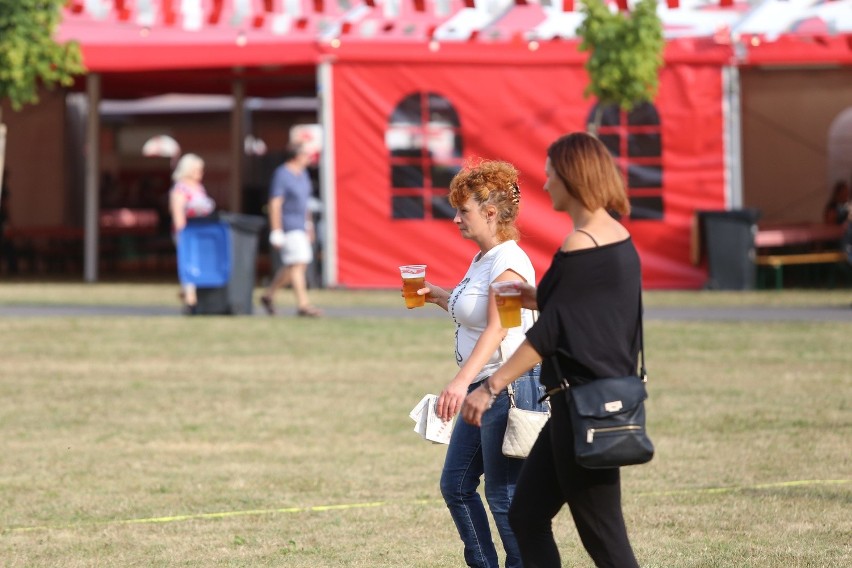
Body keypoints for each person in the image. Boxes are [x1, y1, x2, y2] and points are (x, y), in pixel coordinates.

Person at [461, 132, 643, 568]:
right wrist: (537, 297)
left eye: (550, 175)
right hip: (577, 405)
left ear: (572, 178)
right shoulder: (613, 235)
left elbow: (553, 334)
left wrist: (490, 386)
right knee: (526, 516)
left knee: (607, 543)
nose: (545, 185)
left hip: (585, 408)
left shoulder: (580, 243)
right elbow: (586, 308)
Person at [415, 159, 546, 568]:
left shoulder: (509, 261)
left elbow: (500, 328)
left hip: (507, 386)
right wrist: (439, 295)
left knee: (504, 497)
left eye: (463, 210)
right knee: (455, 486)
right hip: (484, 387)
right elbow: (474, 312)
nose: (455, 219)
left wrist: (459, 383)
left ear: (490, 213)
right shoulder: (483, 259)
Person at [259, 142, 322, 317]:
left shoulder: (303, 175)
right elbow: (275, 203)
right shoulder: (282, 174)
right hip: (288, 225)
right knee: (298, 262)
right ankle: (303, 304)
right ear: (297, 155)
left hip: (300, 225)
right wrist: (276, 229)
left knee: (295, 264)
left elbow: (305, 204)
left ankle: (269, 294)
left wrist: (308, 225)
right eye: (306, 155)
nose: (309, 158)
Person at [169, 153, 215, 314]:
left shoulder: (199, 187)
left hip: (202, 232)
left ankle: (191, 294)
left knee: (200, 264)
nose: (200, 173)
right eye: (197, 170)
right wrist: (183, 235)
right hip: (188, 233)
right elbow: (178, 214)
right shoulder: (180, 189)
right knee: (189, 264)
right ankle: (190, 300)